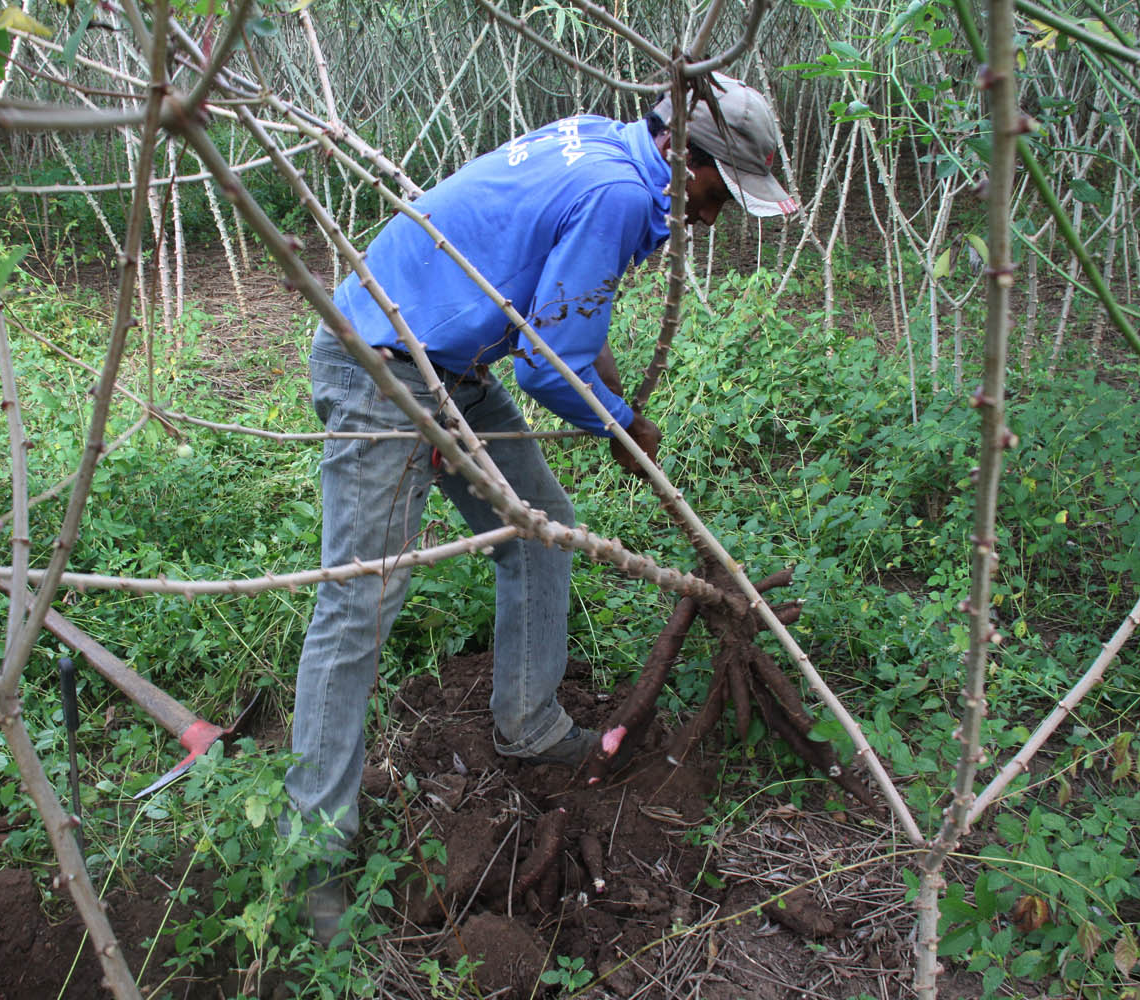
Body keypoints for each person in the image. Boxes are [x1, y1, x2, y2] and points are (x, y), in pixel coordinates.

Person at [286, 74, 797, 941]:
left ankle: (528, 726)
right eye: (720, 193)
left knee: (540, 534)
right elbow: (547, 363)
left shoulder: (607, 141)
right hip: (380, 363)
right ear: (687, 157)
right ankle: (312, 857)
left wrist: (620, 411)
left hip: (451, 364)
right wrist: (624, 426)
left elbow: (554, 335)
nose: (713, 218)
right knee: (359, 602)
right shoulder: (621, 194)